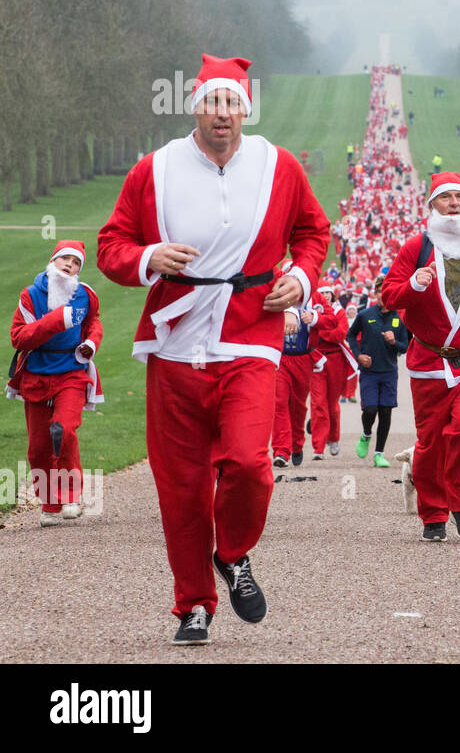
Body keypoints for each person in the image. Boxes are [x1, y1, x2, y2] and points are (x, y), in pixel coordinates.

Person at [97, 52, 330, 646]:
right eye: (211, 102)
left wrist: (300, 280)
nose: (221, 114)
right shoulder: (155, 169)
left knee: (251, 464)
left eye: (232, 103)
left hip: (251, 331)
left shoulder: (279, 166)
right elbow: (112, 244)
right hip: (175, 341)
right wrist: (149, 257)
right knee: (181, 488)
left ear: (245, 109)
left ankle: (234, 553)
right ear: (194, 105)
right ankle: (193, 606)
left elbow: (312, 231)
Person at [381, 171, 460, 543]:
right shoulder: (415, 247)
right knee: (432, 440)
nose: (453, 203)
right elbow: (389, 295)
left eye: (459, 197)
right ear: (432, 205)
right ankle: (433, 512)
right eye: (445, 198)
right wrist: (413, 285)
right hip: (429, 359)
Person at [8, 241, 104, 526]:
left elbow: (93, 322)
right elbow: (19, 337)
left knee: (63, 429)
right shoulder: (30, 295)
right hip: (37, 374)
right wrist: (56, 320)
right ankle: (50, 503)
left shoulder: (85, 295)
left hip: (71, 372)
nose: (69, 265)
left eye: (76, 263)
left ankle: (72, 496)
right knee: (38, 446)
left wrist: (90, 343)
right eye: (65, 259)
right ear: (53, 261)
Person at [348, 276, 410, 468]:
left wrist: (394, 342)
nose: (385, 295)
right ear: (376, 293)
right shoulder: (365, 315)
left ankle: (379, 454)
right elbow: (351, 335)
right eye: (382, 291)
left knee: (385, 411)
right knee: (370, 409)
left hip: (389, 372)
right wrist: (358, 355)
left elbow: (405, 346)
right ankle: (366, 434)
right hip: (369, 371)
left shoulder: (399, 319)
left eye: (389, 291)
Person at [272, 282, 320, 468]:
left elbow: (333, 320)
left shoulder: (314, 297)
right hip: (281, 357)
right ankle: (281, 451)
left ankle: (297, 444)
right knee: (279, 403)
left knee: (298, 406)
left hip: (303, 359)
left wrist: (315, 317)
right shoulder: (276, 296)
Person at [308, 285, 353, 460]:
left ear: (333, 295)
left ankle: (333, 438)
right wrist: (324, 329)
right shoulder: (312, 311)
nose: (325, 296)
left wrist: (320, 332)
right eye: (321, 293)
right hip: (317, 358)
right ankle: (318, 447)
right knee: (318, 403)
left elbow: (340, 334)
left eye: (327, 292)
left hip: (335, 360)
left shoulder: (339, 312)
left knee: (332, 404)